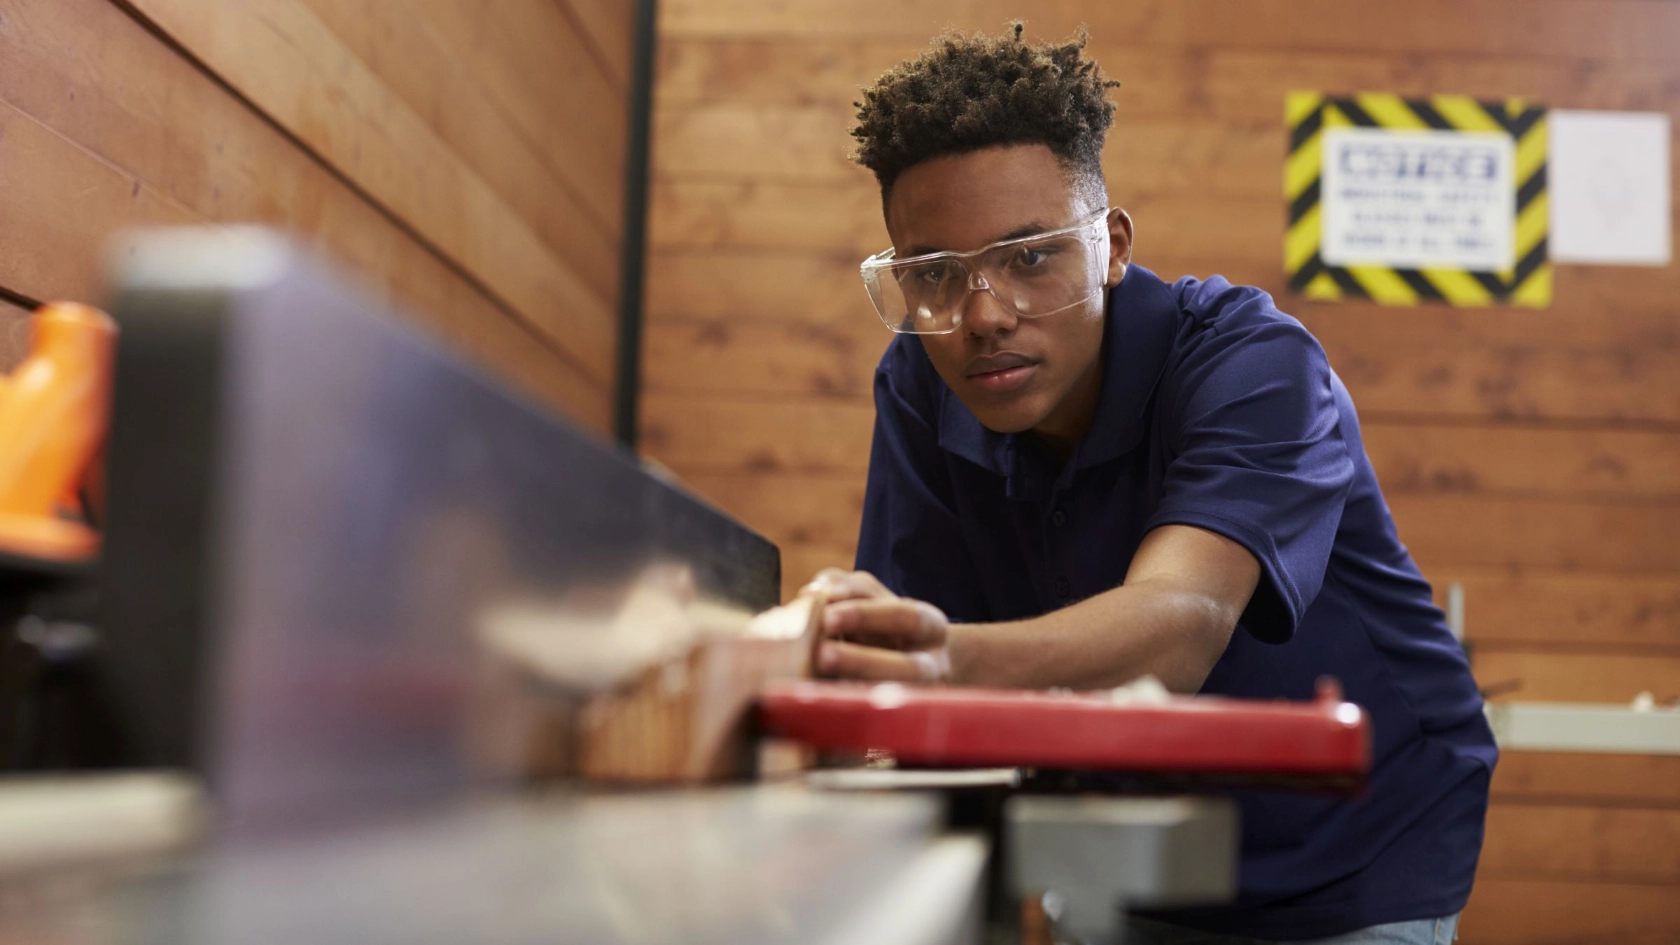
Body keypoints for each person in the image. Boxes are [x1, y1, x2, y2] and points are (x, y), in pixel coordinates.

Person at [800, 24, 1495, 945]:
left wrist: (940, 663)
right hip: (1123, 841)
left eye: (1030, 256)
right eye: (935, 274)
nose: (983, 315)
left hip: (1357, 846)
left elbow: (1181, 622)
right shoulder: (922, 385)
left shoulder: (1256, 364)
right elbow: (930, 639)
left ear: (1112, 246)